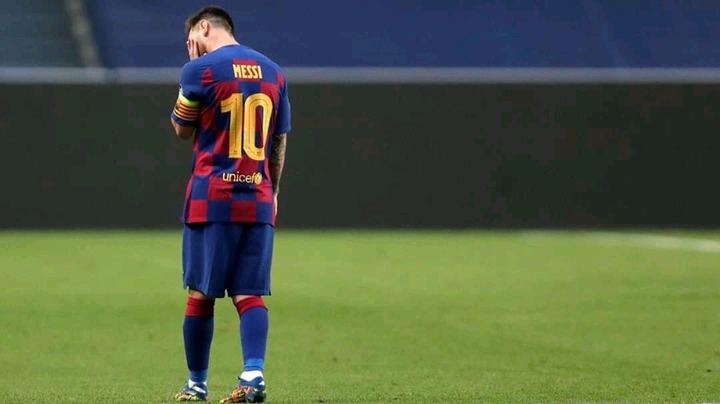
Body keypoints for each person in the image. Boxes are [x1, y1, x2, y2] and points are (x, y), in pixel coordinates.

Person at [169, 5, 290, 403]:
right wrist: (273, 191)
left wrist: (189, 71)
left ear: (203, 27)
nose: (191, 45)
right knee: (249, 292)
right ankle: (253, 376)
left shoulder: (199, 70)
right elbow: (279, 139)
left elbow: (181, 129)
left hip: (212, 198)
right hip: (258, 198)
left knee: (200, 293)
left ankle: (196, 384)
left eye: (192, 37)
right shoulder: (274, 72)